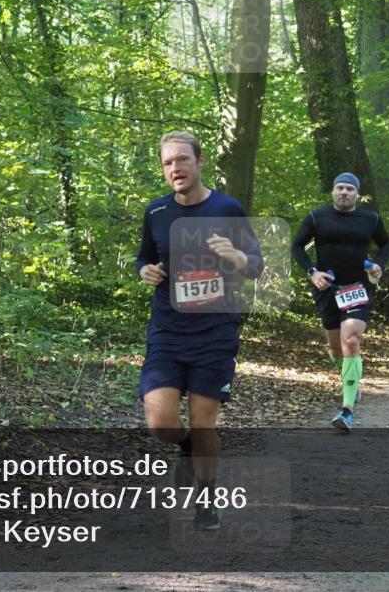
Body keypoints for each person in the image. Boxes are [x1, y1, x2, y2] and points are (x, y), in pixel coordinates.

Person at [136, 131, 264, 530]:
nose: (175, 168)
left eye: (182, 160)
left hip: (215, 330)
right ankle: (188, 447)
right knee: (161, 424)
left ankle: (206, 498)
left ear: (199, 161)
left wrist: (238, 256)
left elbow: (258, 263)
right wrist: (145, 270)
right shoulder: (156, 212)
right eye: (168, 163)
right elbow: (144, 257)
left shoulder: (227, 208)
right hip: (168, 331)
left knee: (204, 420)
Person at [292, 172, 389, 432]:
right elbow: (297, 246)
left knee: (351, 340)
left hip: (358, 287)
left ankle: (346, 410)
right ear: (333, 192)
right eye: (340, 188)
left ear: (357, 193)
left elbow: (386, 245)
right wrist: (312, 272)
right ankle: (351, 379)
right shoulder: (317, 217)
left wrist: (379, 265)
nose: (344, 192)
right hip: (328, 287)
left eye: (349, 188)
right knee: (337, 350)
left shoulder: (370, 219)